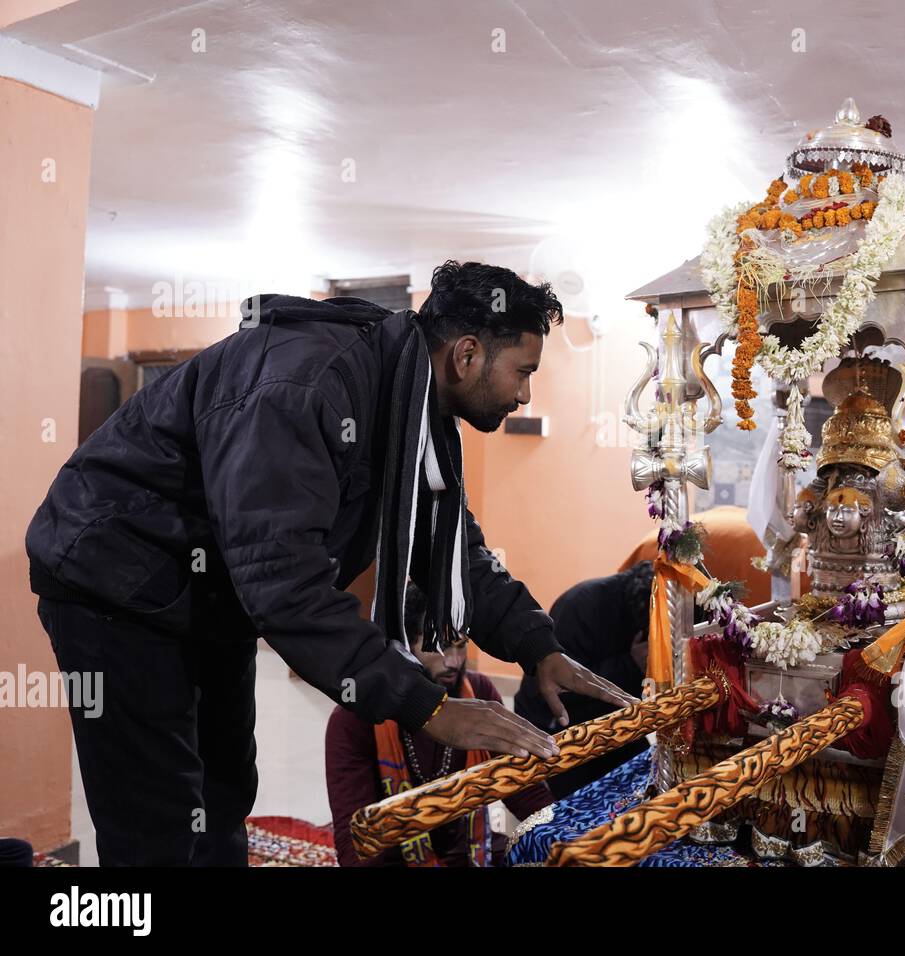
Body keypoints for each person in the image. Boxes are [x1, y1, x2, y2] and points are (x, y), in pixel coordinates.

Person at [26, 260, 635, 866]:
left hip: (207, 591)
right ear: (468, 355)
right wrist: (428, 706)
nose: (524, 393)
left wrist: (539, 647)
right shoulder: (308, 383)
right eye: (524, 371)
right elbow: (283, 581)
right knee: (156, 817)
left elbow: (448, 544)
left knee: (222, 790)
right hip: (114, 579)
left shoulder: (409, 398)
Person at [326, 582, 552, 866]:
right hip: (395, 859)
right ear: (405, 645)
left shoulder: (478, 694)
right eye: (440, 645)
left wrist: (565, 835)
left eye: (461, 646)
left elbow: (521, 786)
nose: (454, 662)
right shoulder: (355, 716)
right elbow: (355, 841)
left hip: (472, 852)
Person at [514, 562, 655, 798]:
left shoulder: (641, 609)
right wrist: (631, 664)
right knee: (581, 817)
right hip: (558, 728)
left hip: (613, 724)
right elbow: (564, 692)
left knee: (646, 791)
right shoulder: (584, 605)